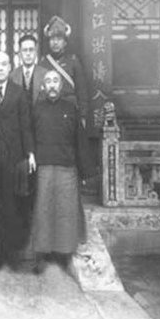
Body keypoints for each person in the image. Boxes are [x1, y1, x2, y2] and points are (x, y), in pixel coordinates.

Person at [0, 51, 36, 271]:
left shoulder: (19, 93)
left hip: (14, 157)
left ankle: (13, 255)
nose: (0, 68)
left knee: (13, 205)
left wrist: (30, 153)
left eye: (4, 64)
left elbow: (26, 125)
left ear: (10, 67)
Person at [31, 70, 95, 274]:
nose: (51, 85)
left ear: (61, 86)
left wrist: (84, 172)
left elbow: (80, 141)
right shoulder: (36, 109)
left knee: (65, 212)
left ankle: (64, 254)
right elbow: (29, 136)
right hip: (44, 166)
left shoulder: (71, 108)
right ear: (43, 86)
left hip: (67, 167)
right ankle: (43, 253)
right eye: (47, 81)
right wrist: (30, 156)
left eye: (55, 81)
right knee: (44, 210)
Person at [40, 16, 88, 127]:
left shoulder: (73, 61)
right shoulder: (43, 63)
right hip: (49, 112)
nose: (55, 42)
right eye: (52, 39)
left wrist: (83, 115)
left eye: (59, 39)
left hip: (70, 111)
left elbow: (82, 91)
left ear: (65, 42)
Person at [10, 34, 47, 109]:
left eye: (31, 50)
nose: (28, 54)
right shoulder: (12, 76)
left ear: (36, 52)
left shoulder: (45, 74)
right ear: (19, 53)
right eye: (24, 50)